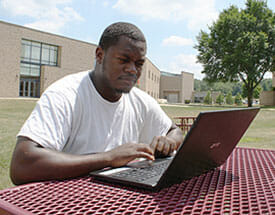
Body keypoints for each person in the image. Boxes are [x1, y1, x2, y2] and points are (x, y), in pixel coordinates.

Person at [10, 22, 183, 185]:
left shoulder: (141, 101)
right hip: (70, 200)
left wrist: (168, 141)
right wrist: (108, 158)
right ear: (100, 55)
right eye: (124, 60)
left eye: (139, 64)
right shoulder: (65, 94)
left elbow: (174, 131)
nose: (132, 70)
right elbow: (22, 164)